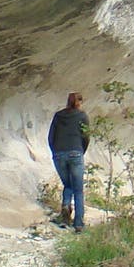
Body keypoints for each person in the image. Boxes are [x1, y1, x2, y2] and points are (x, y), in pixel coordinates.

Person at [47, 92, 89, 230]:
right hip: (75, 153)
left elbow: (51, 136)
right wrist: (81, 151)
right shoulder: (82, 116)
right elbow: (86, 137)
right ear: (80, 102)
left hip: (59, 154)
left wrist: (55, 151)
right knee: (78, 189)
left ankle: (65, 216)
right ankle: (78, 224)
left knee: (68, 184)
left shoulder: (58, 116)